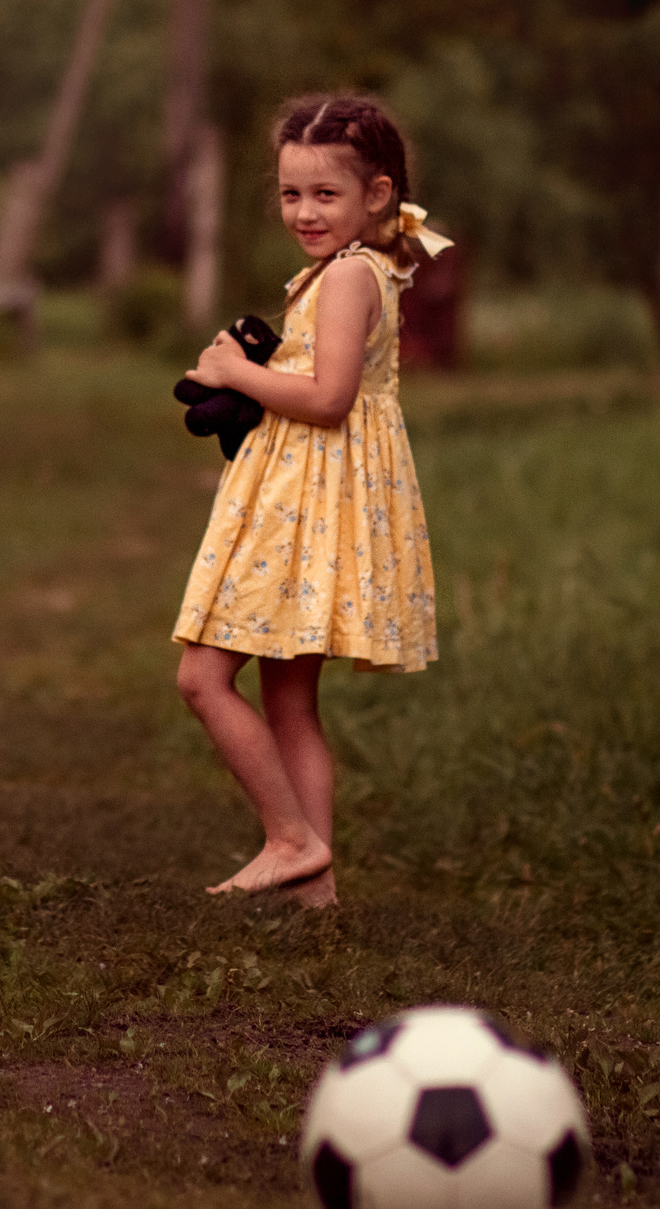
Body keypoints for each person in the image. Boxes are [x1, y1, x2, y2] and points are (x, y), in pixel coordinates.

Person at [172, 93, 447, 908]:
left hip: (309, 506)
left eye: (326, 194)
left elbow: (329, 397)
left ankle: (291, 837)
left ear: (378, 193)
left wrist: (232, 371)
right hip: (312, 496)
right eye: (292, 193)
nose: (304, 211)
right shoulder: (354, 269)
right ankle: (315, 894)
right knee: (289, 699)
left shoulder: (349, 276)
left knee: (201, 677)